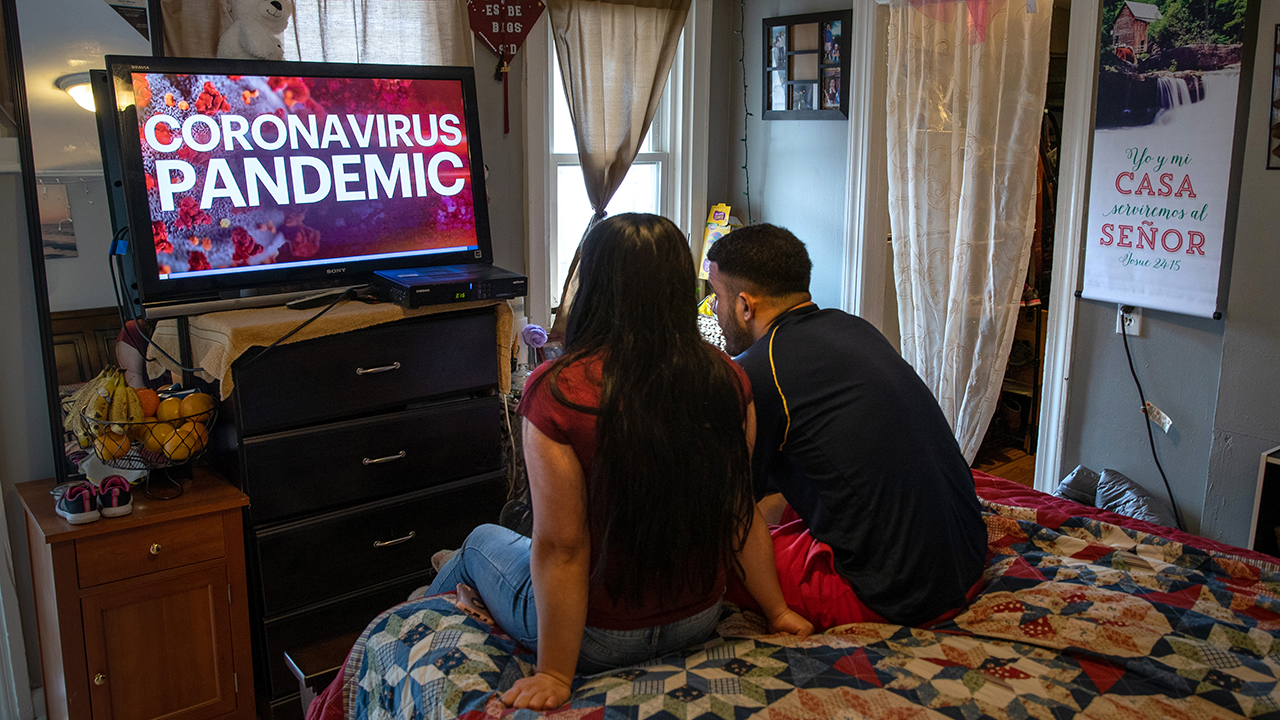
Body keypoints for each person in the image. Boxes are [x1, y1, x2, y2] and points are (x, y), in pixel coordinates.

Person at [427, 213, 812, 711]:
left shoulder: (558, 391)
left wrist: (555, 675)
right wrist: (777, 612)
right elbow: (740, 513)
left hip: (600, 638)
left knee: (480, 542)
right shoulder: (727, 380)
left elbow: (563, 547)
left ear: (594, 285)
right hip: (697, 618)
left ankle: (417, 615)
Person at [705, 223, 987, 630]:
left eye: (717, 297)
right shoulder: (854, 328)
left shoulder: (756, 374)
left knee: (710, 556)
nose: (714, 309)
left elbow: (734, 511)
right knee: (781, 511)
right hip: (968, 556)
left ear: (745, 305)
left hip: (898, 596)